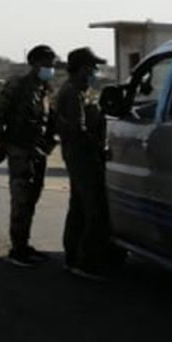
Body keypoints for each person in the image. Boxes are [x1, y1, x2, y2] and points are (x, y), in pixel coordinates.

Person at [0, 44, 59, 268]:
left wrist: (49, 144)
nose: (51, 68)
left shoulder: (44, 88)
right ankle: (17, 249)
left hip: (37, 151)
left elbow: (48, 121)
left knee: (32, 197)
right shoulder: (17, 86)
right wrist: (2, 146)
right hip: (20, 150)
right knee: (21, 199)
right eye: (48, 64)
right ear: (36, 63)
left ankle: (24, 244)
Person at [56, 47, 119, 280]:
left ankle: (73, 258)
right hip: (82, 158)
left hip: (79, 157)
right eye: (91, 67)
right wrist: (99, 149)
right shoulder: (72, 93)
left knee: (79, 208)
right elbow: (78, 130)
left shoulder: (78, 92)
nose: (94, 72)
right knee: (95, 210)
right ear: (81, 68)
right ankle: (86, 261)